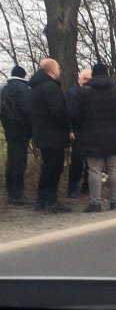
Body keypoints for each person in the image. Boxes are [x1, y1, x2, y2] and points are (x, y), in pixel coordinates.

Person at [71, 63, 116, 212]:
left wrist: (81, 129)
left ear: (93, 74)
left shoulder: (84, 92)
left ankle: (95, 203)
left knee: (94, 170)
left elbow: (75, 114)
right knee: (114, 169)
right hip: (115, 136)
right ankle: (115, 202)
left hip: (91, 137)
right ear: (107, 74)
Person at [29, 58, 71, 213]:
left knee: (47, 167)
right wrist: (67, 126)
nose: (59, 70)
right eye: (58, 67)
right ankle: (51, 200)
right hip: (54, 134)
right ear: (53, 70)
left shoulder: (36, 87)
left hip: (41, 133)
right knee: (54, 168)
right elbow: (58, 112)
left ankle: (41, 200)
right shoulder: (51, 87)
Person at [1, 65, 32, 205]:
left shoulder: (5, 89)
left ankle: (10, 191)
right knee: (19, 162)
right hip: (21, 129)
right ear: (23, 75)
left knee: (12, 160)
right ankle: (18, 194)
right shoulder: (22, 88)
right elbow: (27, 110)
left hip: (9, 129)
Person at [64, 69, 92, 198]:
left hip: (91, 131)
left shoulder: (93, 93)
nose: (87, 81)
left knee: (91, 162)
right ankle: (73, 188)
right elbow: (67, 113)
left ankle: (87, 187)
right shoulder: (71, 93)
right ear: (79, 79)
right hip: (77, 132)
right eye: (84, 79)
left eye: (89, 79)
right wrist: (70, 129)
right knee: (77, 162)